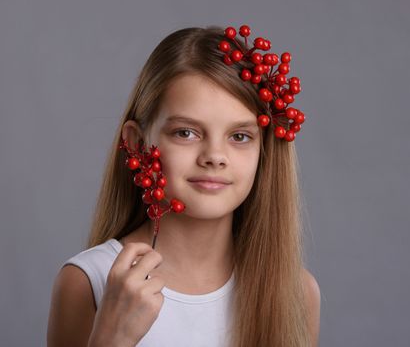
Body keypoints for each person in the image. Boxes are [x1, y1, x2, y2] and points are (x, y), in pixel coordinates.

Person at [47, 25, 320, 347]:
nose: (215, 157)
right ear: (136, 143)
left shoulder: (296, 292)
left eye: (240, 136)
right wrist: (110, 339)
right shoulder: (88, 281)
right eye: (186, 133)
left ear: (264, 152)